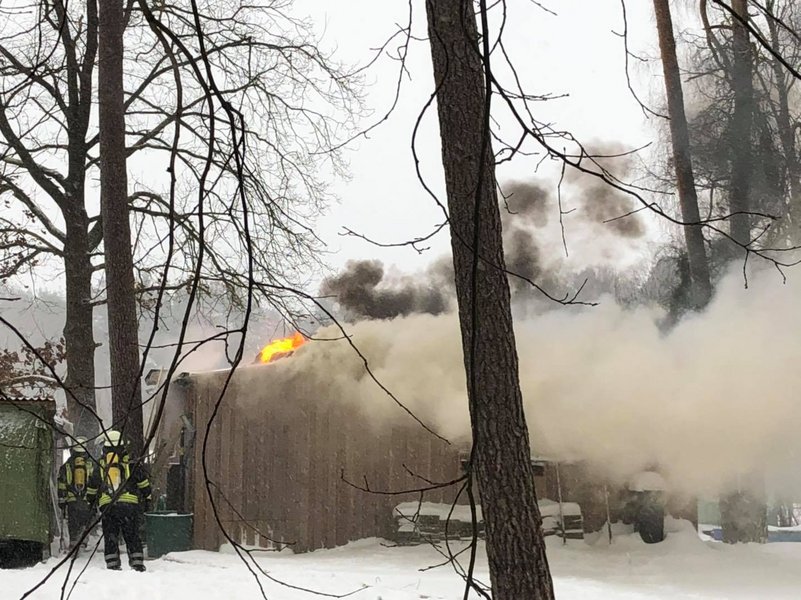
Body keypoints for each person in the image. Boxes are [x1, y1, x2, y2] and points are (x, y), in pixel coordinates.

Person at [86, 430, 152, 572]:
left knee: (111, 535)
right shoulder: (131, 464)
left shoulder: (100, 466)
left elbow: (92, 487)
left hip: (108, 507)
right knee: (132, 534)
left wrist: (90, 503)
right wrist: (147, 499)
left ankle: (113, 564)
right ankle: (137, 563)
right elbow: (144, 485)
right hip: (129, 506)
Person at [56, 436, 94, 550]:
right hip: (86, 500)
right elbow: (95, 482)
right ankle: (83, 540)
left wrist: (62, 500)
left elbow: (62, 483)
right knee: (85, 521)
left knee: (73, 522)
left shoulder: (67, 465)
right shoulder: (91, 464)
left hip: (72, 500)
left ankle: (73, 542)